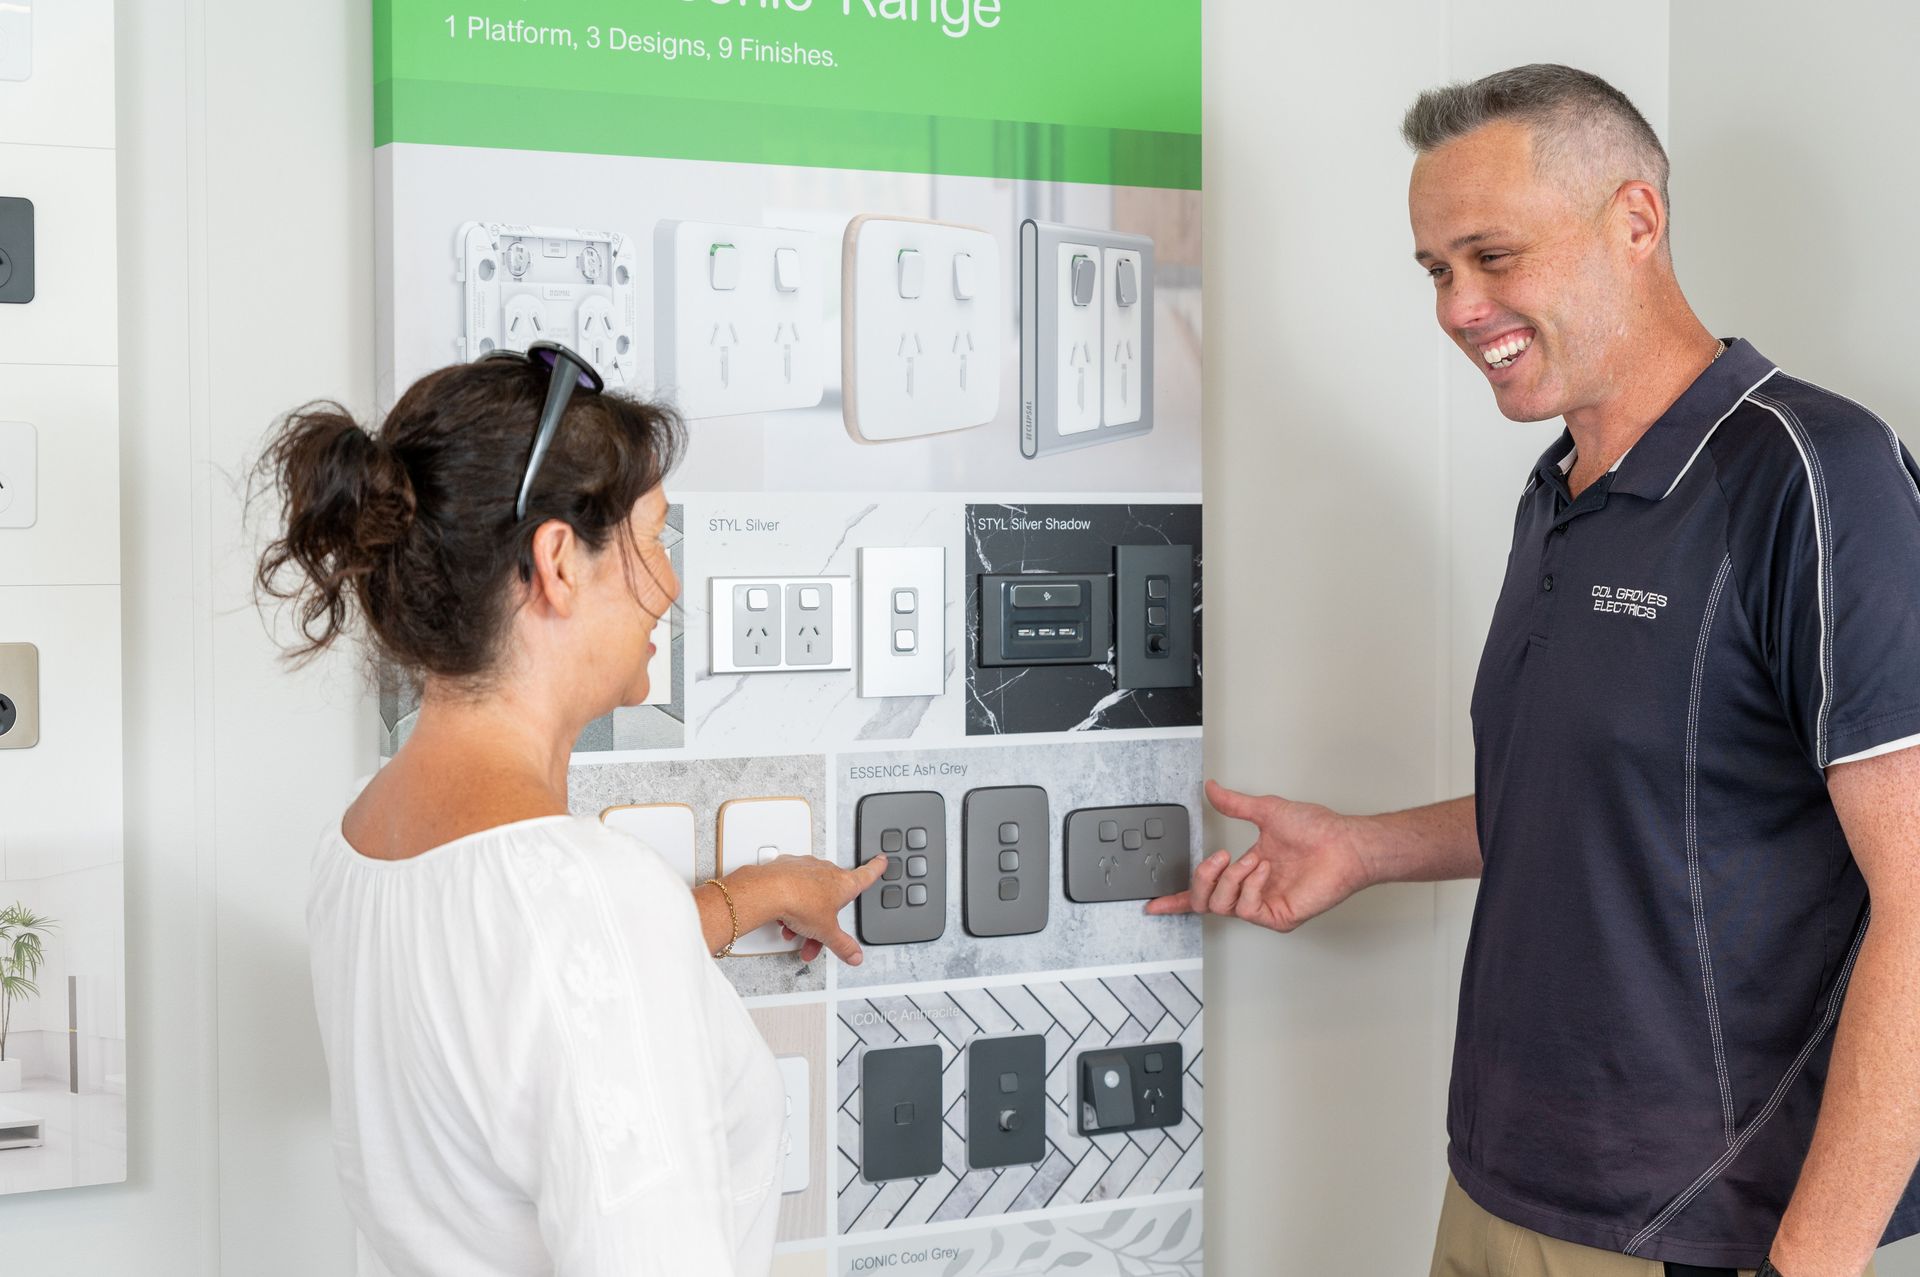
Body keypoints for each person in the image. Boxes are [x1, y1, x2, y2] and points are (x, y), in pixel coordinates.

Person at [1151, 64, 1920, 1277]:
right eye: (1435, 271)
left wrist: (1812, 1261)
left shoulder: (1815, 475)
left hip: (1702, 1225)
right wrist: (1368, 847)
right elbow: (1630, 795)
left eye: (1492, 256)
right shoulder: (1557, 490)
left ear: (1636, 221)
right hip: (1502, 1182)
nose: (1459, 306)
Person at [255, 343, 884, 1276]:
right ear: (558, 561)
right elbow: (556, 954)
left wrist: (758, 890)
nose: (670, 584)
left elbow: (515, 993)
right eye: (657, 536)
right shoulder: (590, 899)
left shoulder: (358, 837)